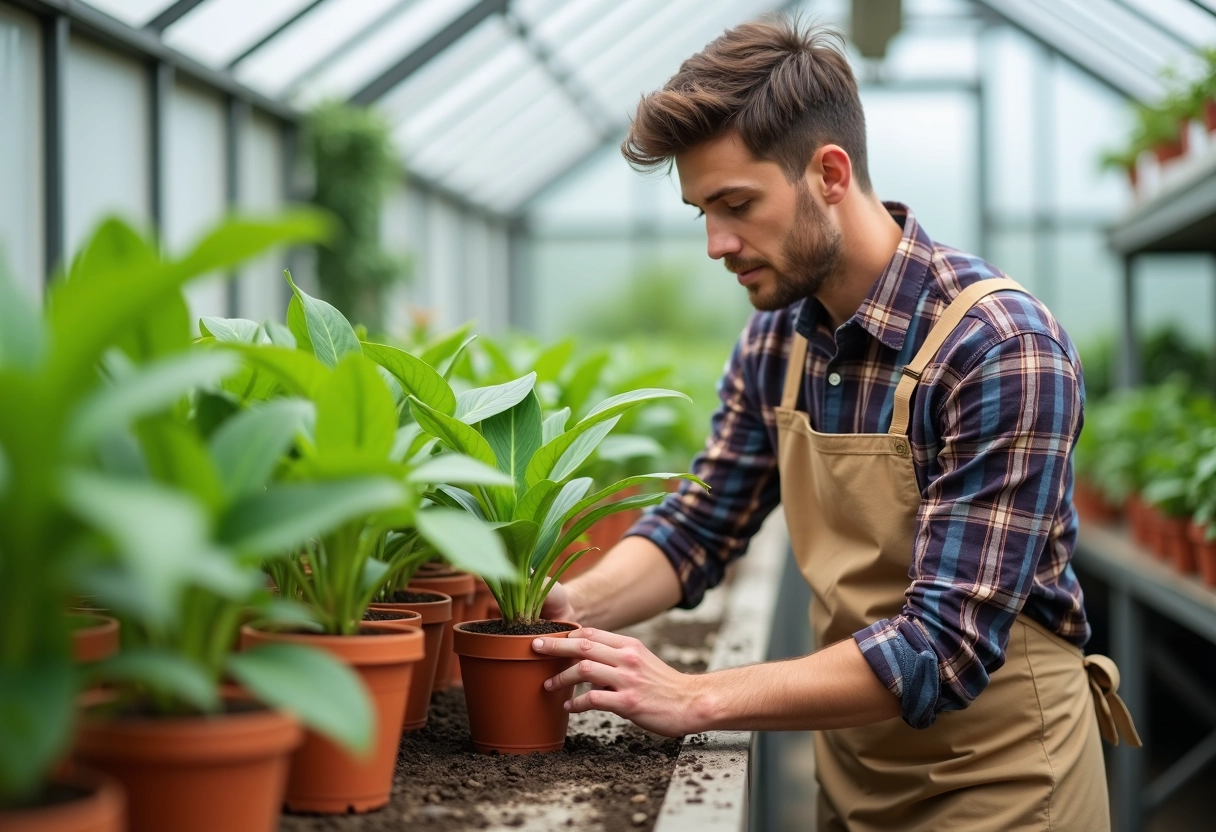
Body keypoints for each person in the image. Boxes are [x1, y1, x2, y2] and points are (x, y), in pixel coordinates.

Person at [530, 15, 1140, 832]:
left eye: (737, 204)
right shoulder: (777, 340)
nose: (716, 243)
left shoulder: (999, 347)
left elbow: (942, 645)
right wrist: (568, 608)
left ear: (829, 173)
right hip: (853, 773)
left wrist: (694, 697)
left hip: (1004, 783)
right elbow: (701, 525)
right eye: (701, 210)